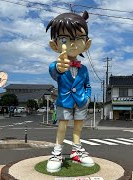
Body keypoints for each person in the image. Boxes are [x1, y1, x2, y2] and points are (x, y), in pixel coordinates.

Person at [46, 11, 94, 173]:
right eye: (65, 39)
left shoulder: (84, 69)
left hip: (81, 102)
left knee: (78, 127)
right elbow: (55, 72)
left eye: (79, 39)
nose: (73, 44)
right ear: (55, 44)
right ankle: (57, 152)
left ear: (86, 43)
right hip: (64, 101)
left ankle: (77, 150)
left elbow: (88, 85)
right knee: (62, 126)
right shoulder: (57, 65)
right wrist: (60, 67)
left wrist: (87, 97)